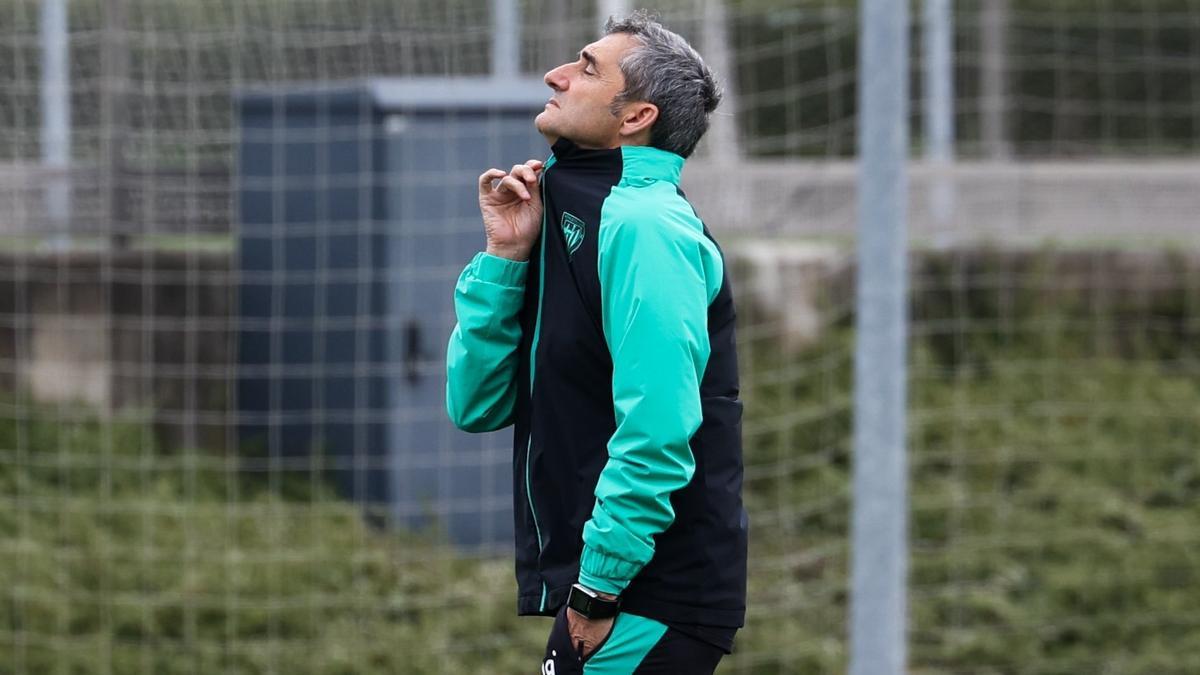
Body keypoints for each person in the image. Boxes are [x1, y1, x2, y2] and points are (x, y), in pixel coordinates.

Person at [446, 10, 746, 674]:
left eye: (585, 68)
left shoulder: (644, 225)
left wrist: (596, 587)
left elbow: (658, 429)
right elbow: (476, 404)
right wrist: (504, 257)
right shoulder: (567, 205)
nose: (555, 75)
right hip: (613, 589)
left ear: (635, 115)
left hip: (647, 592)